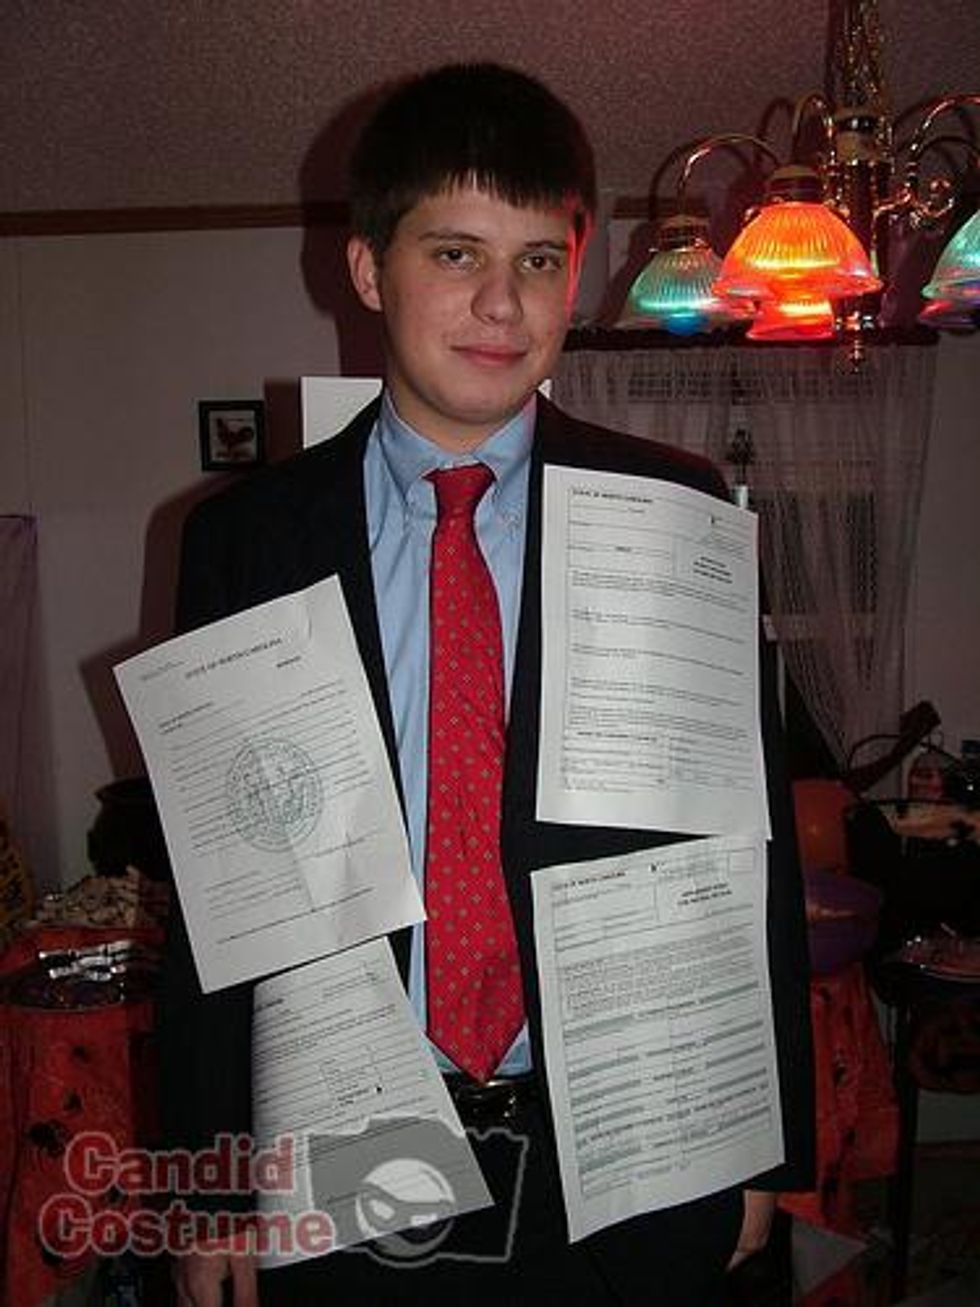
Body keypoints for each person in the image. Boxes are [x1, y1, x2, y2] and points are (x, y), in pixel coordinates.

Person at [160, 61, 814, 1306]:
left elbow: (748, 843)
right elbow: (218, 891)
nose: (501, 304)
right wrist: (208, 1181)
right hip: (348, 1119)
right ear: (367, 269)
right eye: (455, 253)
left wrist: (759, 1138)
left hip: (625, 1133)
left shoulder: (670, 508)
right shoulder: (246, 539)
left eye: (538, 260)